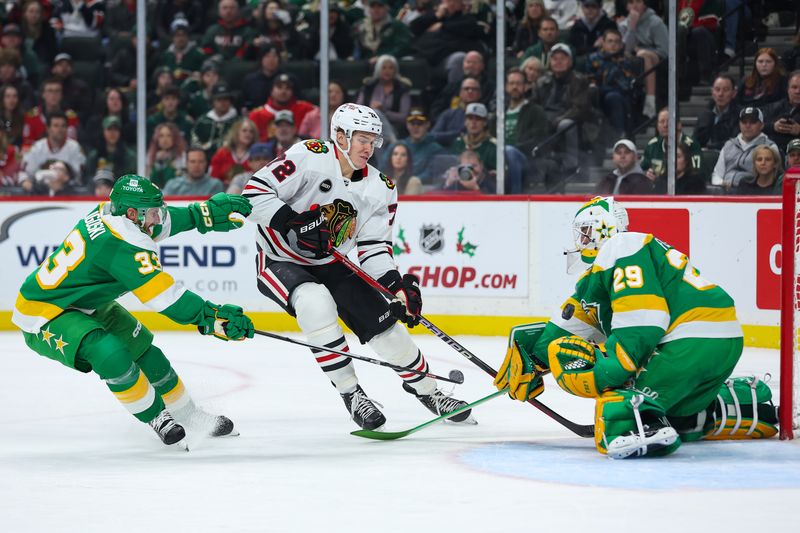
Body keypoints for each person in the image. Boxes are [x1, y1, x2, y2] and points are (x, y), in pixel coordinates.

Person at [241, 103, 473, 430]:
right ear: (340, 135)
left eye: (373, 140)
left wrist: (395, 287)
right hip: (278, 257)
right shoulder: (309, 155)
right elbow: (253, 193)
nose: (369, 147)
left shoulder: (382, 188)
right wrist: (292, 223)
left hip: (331, 260)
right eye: (362, 139)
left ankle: (428, 391)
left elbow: (374, 246)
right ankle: (352, 394)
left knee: (385, 325)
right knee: (315, 303)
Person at [493, 196, 778, 459]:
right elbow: (574, 321)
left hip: (688, 341)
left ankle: (640, 423)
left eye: (585, 231)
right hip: (719, 340)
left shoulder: (622, 246)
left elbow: (645, 318)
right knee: (681, 420)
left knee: (620, 406)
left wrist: (609, 369)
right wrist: (534, 355)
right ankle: (743, 406)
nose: (581, 240)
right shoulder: (600, 277)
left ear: (604, 229)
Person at [11, 174, 254, 447]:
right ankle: (157, 417)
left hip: (82, 301)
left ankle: (189, 415)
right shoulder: (123, 240)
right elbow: (165, 297)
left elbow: (166, 221)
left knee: (146, 353)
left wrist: (201, 215)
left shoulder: (114, 214)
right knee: (108, 352)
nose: (157, 219)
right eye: (152, 213)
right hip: (44, 313)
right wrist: (211, 317)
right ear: (132, 214)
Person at [584, 28, 641, 135]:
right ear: (603, 43)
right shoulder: (592, 59)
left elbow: (626, 85)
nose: (613, 45)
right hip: (597, 95)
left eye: (616, 42)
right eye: (610, 41)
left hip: (620, 96)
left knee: (613, 96)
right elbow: (590, 80)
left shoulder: (627, 61)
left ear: (621, 45)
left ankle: (619, 135)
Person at [618, 0, 668, 118]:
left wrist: (641, 50)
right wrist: (632, 27)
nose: (635, 6)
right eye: (631, 2)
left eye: (638, 1)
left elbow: (665, 51)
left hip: (657, 60)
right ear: (627, 6)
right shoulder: (623, 25)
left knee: (644, 56)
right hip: (633, 60)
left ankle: (650, 100)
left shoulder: (656, 22)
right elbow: (624, 50)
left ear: (644, 4)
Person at [712, 107, 780, 189]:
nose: (748, 125)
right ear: (739, 124)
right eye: (744, 122)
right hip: (725, 191)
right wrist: (721, 183)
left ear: (761, 125)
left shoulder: (770, 147)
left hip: (753, 192)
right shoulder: (729, 145)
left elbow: (773, 177)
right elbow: (717, 174)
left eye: (753, 122)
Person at [249, 73, 317, 142]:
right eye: (279, 87)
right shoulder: (257, 115)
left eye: (287, 88)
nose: (283, 91)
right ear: (271, 91)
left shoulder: (306, 109)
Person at [356, 55, 412, 136]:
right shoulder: (368, 87)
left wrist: (384, 112)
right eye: (384, 68)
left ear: (395, 70)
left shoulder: (402, 90)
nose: (387, 71)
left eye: (391, 68)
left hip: (393, 128)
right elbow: (357, 109)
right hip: (367, 126)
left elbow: (404, 116)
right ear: (378, 70)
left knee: (377, 113)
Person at [23, 111, 86, 182]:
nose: (60, 129)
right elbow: (29, 173)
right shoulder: (37, 147)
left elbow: (77, 174)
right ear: (48, 129)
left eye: (63, 126)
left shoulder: (74, 147)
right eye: (56, 126)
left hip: (67, 189)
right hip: (41, 189)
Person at [641, 109, 702, 178]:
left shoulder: (691, 145)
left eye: (669, 121)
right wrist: (647, 174)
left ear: (679, 125)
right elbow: (642, 169)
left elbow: (696, 173)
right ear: (657, 126)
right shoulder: (652, 145)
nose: (665, 125)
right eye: (661, 121)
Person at [191, 82, 239, 159]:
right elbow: (195, 142)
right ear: (212, 101)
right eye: (219, 99)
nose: (222, 102)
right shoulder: (202, 121)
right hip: (204, 160)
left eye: (226, 99)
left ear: (230, 101)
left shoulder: (238, 122)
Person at [695, 75, 741, 150]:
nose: (720, 94)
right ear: (712, 92)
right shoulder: (705, 114)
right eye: (717, 89)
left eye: (725, 90)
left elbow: (735, 142)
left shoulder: (739, 115)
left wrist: (709, 147)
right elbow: (695, 140)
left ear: (734, 93)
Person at [210, 117, 257, 185]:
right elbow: (213, 177)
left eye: (251, 131)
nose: (248, 134)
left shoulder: (256, 155)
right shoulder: (222, 153)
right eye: (244, 130)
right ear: (236, 133)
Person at [762, 71, 800, 152]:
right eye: (794, 87)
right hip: (772, 154)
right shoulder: (772, 107)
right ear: (788, 89)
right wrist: (773, 127)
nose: (798, 91)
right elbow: (753, 125)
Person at [146, 123, 187, 189]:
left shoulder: (182, 155)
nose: (165, 139)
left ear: (175, 138)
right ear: (157, 138)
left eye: (169, 135)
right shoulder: (151, 155)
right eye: (161, 136)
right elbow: (148, 178)